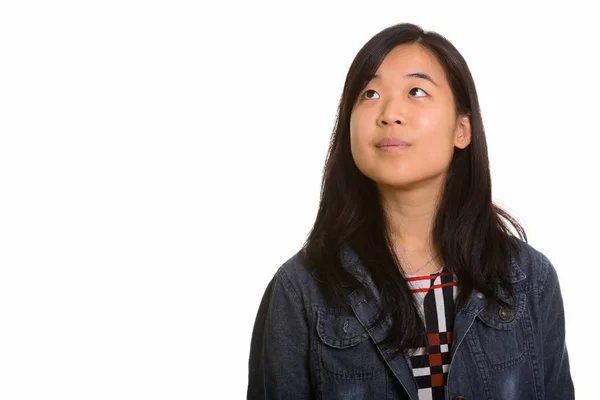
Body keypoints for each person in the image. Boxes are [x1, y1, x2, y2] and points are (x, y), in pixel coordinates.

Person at [247, 22, 574, 399]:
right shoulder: (300, 291)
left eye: (416, 91)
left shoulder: (529, 280)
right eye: (369, 94)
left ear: (462, 130)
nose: (390, 113)